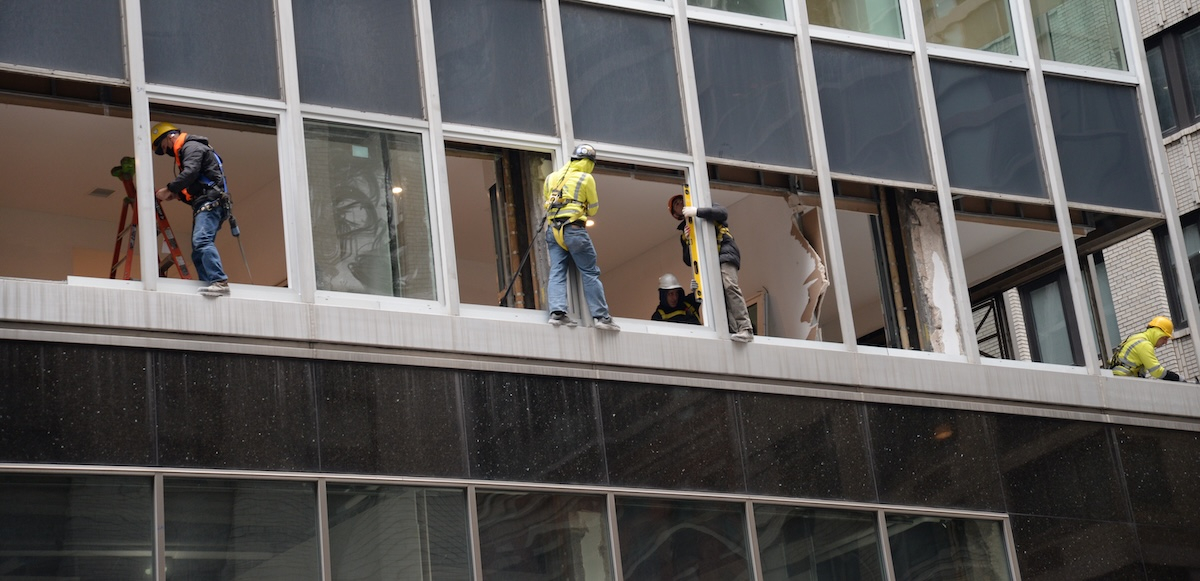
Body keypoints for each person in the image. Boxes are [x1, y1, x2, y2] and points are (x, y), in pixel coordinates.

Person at [151, 122, 231, 297]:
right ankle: (208, 284)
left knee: (202, 240)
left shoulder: (191, 147)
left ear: (169, 137)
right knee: (197, 251)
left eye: (163, 146)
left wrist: (170, 189)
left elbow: (191, 172)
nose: (165, 151)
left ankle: (219, 281)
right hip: (206, 202)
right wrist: (178, 195)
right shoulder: (191, 148)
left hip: (210, 203)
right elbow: (198, 184)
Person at [544, 144, 619, 331]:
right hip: (574, 230)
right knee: (590, 272)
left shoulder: (551, 178)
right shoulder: (586, 178)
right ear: (589, 162)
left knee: (557, 271)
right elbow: (593, 209)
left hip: (553, 230)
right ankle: (601, 317)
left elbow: (548, 204)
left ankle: (557, 313)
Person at [670, 194, 753, 342]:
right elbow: (688, 260)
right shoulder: (685, 232)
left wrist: (697, 211)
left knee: (729, 285)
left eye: (680, 200)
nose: (680, 203)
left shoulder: (705, 207)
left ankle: (745, 328)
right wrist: (689, 241)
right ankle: (733, 331)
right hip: (711, 262)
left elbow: (722, 213)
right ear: (676, 215)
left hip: (725, 252)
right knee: (718, 295)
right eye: (676, 204)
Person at [1110, 316, 1183, 381]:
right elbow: (1157, 372)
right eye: (1165, 338)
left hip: (1118, 379)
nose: (1165, 342)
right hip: (1124, 380)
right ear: (1158, 334)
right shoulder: (1145, 345)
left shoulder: (1136, 338)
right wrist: (1178, 378)